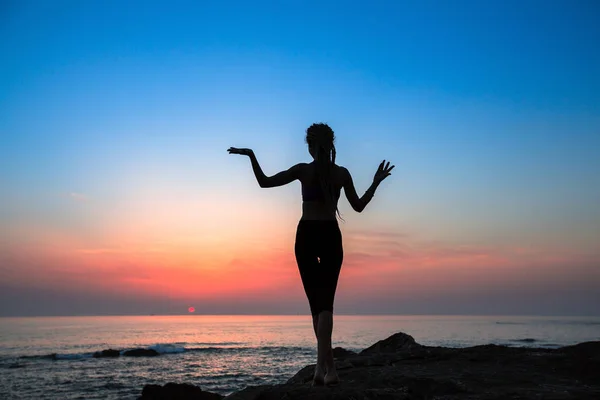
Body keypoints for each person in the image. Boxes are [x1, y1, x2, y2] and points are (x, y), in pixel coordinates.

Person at [228, 123, 394, 386]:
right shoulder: (341, 173)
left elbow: (264, 183)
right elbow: (359, 207)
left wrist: (251, 156)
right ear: (331, 145)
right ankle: (328, 371)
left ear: (310, 145)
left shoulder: (304, 170)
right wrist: (375, 183)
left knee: (317, 306)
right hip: (329, 235)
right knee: (325, 303)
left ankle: (323, 370)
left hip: (307, 235)